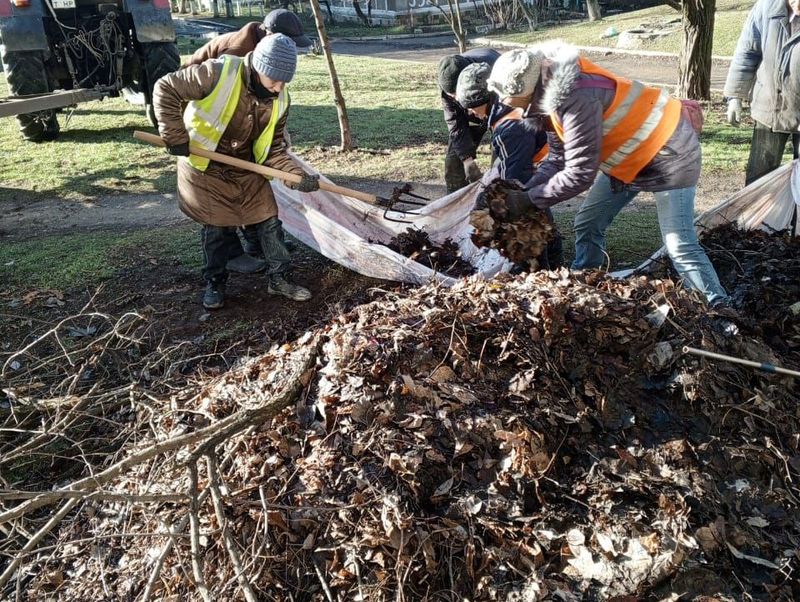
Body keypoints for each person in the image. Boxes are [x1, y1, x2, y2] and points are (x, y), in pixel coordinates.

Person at [486, 44, 728, 305]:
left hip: (669, 152)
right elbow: (558, 158)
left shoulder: (576, 98)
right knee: (588, 223)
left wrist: (529, 200)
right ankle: (585, 287)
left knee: (679, 246)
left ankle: (718, 309)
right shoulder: (550, 97)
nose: (501, 102)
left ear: (526, 89)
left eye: (505, 95)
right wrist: (526, 190)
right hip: (630, 160)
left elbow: (579, 174)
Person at [154, 34, 320, 310]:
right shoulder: (218, 73)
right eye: (274, 80)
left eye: (284, 81)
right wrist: (174, 135)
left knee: (269, 222)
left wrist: (294, 175)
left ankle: (279, 279)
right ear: (258, 68)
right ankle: (215, 283)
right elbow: (165, 87)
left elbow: (274, 147)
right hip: (207, 167)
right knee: (217, 229)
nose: (279, 88)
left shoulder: (280, 99)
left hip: (247, 169)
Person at [184, 9, 313, 275]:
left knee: (252, 179)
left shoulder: (269, 54)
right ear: (268, 34)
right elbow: (229, 105)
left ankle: (257, 241)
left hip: (236, 120)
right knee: (222, 193)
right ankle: (231, 253)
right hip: (207, 122)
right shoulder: (236, 54)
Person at [455, 62, 563, 269]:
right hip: (546, 166)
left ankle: (539, 275)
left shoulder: (509, 126)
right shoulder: (510, 108)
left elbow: (514, 178)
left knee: (531, 232)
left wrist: (492, 206)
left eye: (471, 106)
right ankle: (555, 267)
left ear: (484, 99)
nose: (470, 113)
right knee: (544, 222)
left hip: (546, 168)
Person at [724, 0, 800, 185]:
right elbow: (747, 52)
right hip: (768, 110)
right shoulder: (765, 7)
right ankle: (759, 215)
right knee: (759, 181)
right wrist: (735, 96)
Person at [437, 47, 500, 193]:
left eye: (458, 94)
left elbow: (506, 122)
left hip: (495, 105)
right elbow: (455, 123)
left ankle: (499, 202)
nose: (457, 100)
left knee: (501, 160)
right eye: (452, 96)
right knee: (454, 162)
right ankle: (455, 204)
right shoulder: (446, 80)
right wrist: (467, 160)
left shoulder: (493, 73)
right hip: (471, 115)